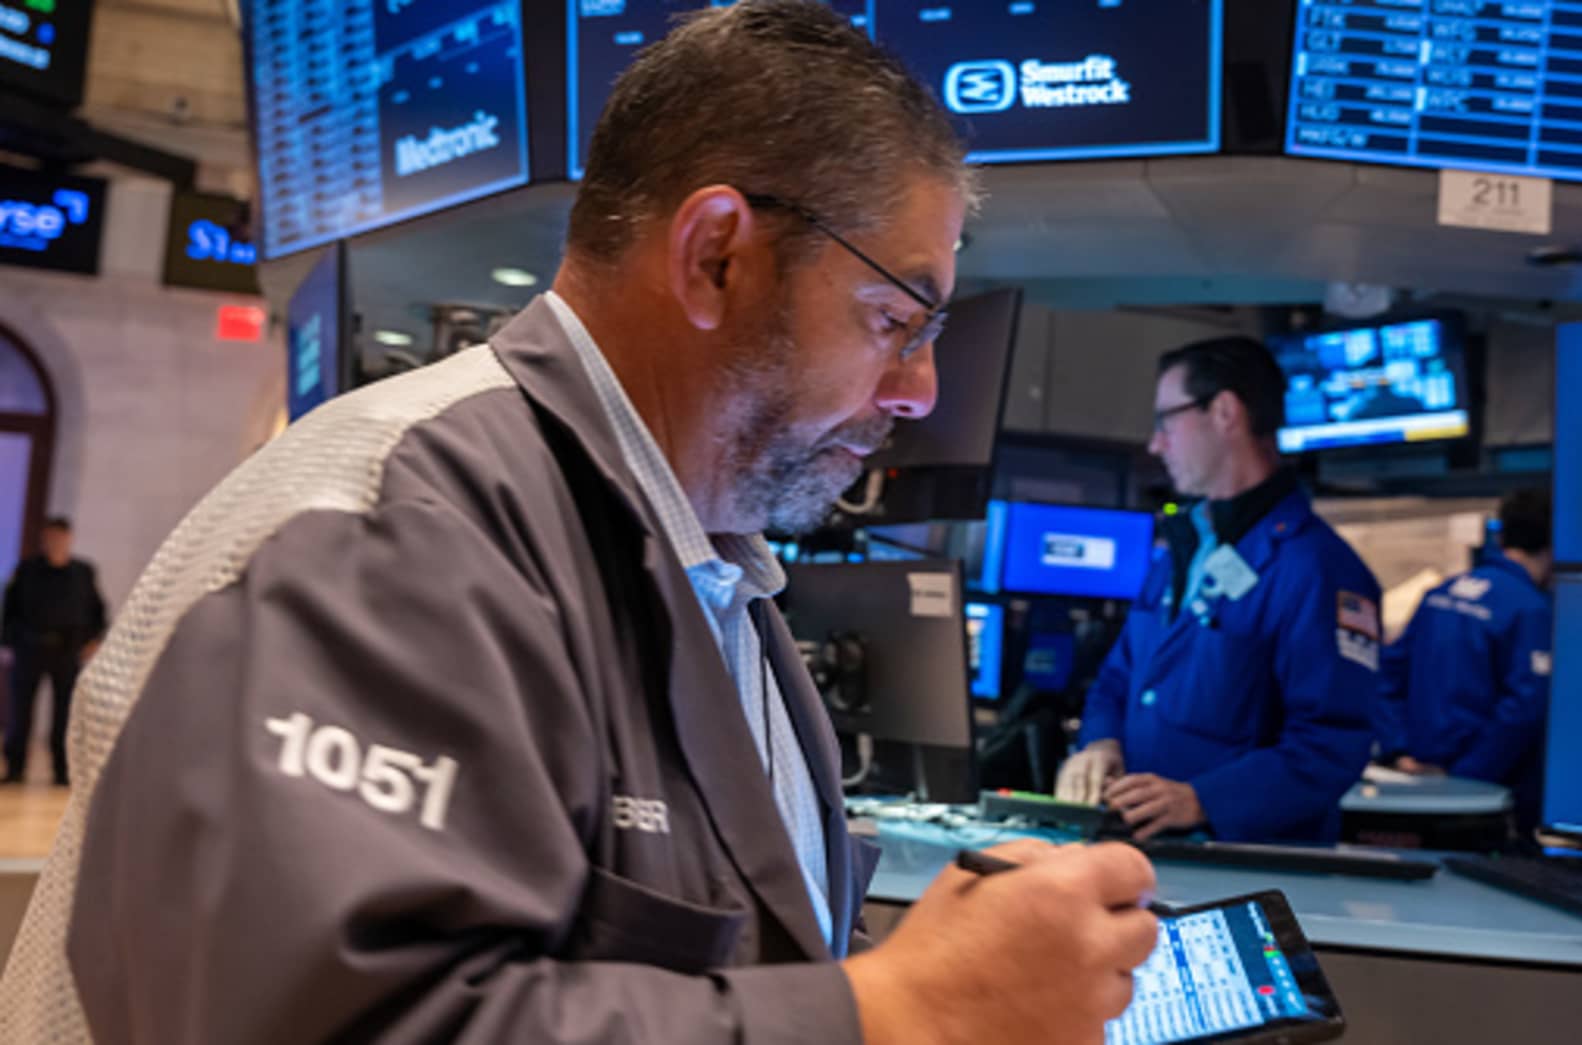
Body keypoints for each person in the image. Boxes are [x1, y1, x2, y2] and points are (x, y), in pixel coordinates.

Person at [0, 5, 1158, 1042]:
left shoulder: (719, 574)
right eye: (895, 317)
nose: (921, 390)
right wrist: (905, 1013)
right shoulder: (392, 516)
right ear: (715, 256)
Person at [1055, 338, 1382, 844]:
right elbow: (1117, 680)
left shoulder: (1317, 570)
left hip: (1248, 867)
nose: (1155, 444)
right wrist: (1100, 743)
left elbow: (1330, 745)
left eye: (1167, 420)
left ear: (1225, 412)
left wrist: (1202, 800)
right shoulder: (1183, 549)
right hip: (1149, 856)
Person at [1375, 488, 1553, 825]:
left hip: (1412, 783)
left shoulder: (1439, 593)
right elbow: (1524, 710)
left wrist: (1399, 752)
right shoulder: (1531, 609)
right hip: (1483, 801)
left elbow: (1385, 675)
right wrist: (1463, 777)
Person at [0, 517, 107, 786]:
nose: (55, 542)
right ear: (44, 538)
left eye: (60, 536)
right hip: (30, 649)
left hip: (67, 651)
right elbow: (9, 610)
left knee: (65, 714)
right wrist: (10, 643)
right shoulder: (27, 570)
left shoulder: (83, 572)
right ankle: (15, 769)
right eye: (50, 536)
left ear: (68, 538)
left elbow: (98, 610)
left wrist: (94, 640)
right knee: (20, 711)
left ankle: (62, 770)